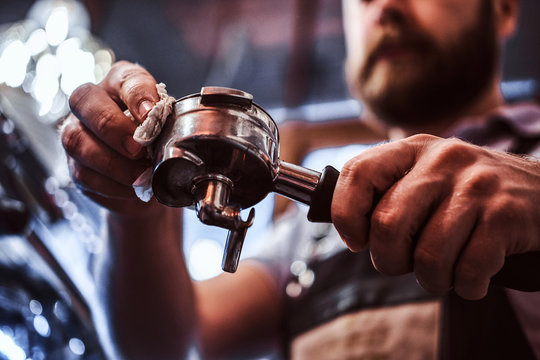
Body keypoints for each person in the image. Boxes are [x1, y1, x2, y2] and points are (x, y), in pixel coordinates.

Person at [61, 0, 540, 358]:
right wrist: (133, 205)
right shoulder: (313, 230)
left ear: (502, 9)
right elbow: (167, 346)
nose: (386, 8)